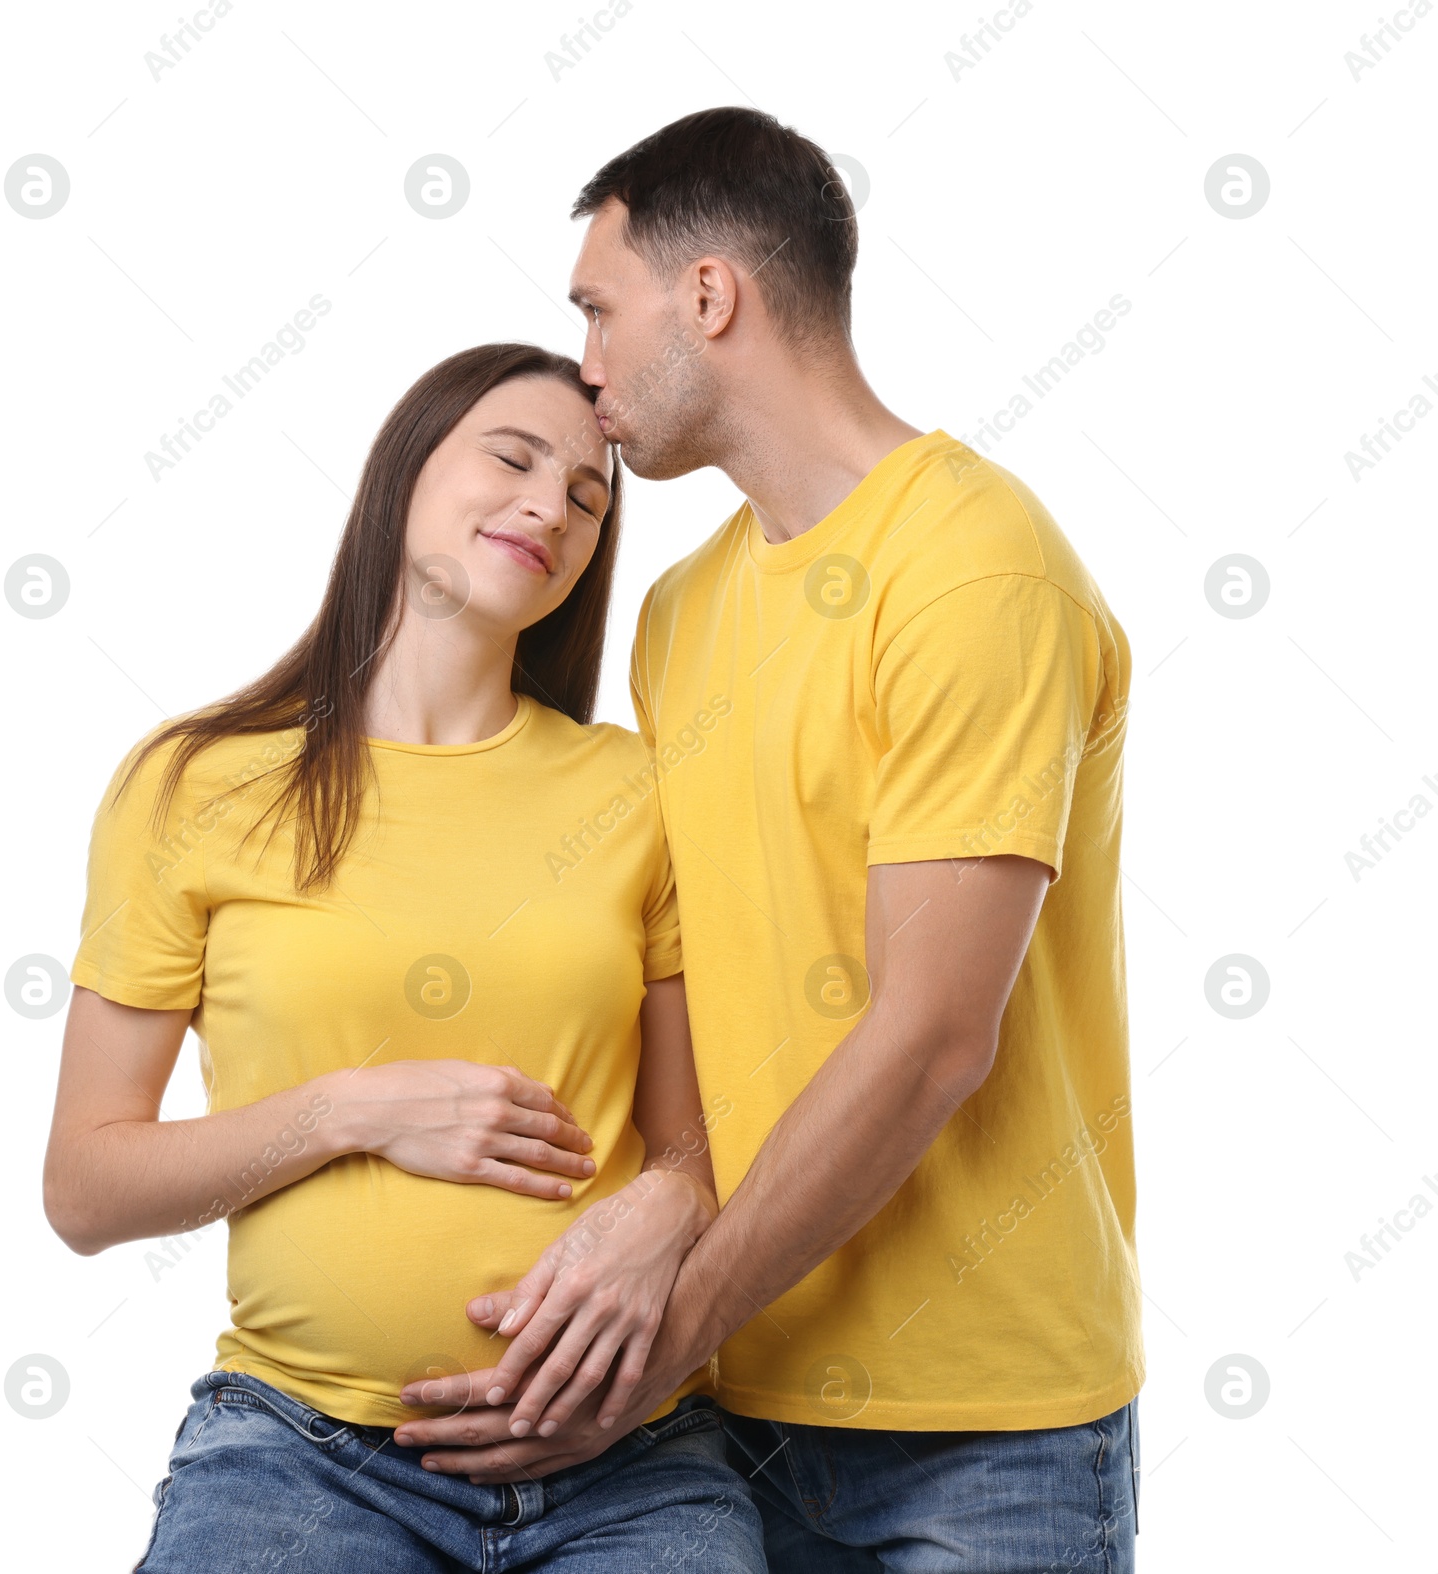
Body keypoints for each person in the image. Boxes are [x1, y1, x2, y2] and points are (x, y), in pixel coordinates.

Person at [393, 110, 1145, 1572]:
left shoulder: (972, 569)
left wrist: (656, 1337)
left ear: (711, 296)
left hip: (983, 1438)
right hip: (735, 1423)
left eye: (597, 311)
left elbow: (932, 1036)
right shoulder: (679, 616)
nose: (586, 366)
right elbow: (686, 971)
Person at [42, 342, 767, 1573]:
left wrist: (675, 1206)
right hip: (302, 1452)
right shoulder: (196, 785)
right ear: (404, 468)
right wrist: (352, 1108)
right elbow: (86, 1186)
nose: (553, 504)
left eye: (590, 499)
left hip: (627, 1457)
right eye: (514, 456)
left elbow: (695, 1142)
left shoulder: (635, 793)